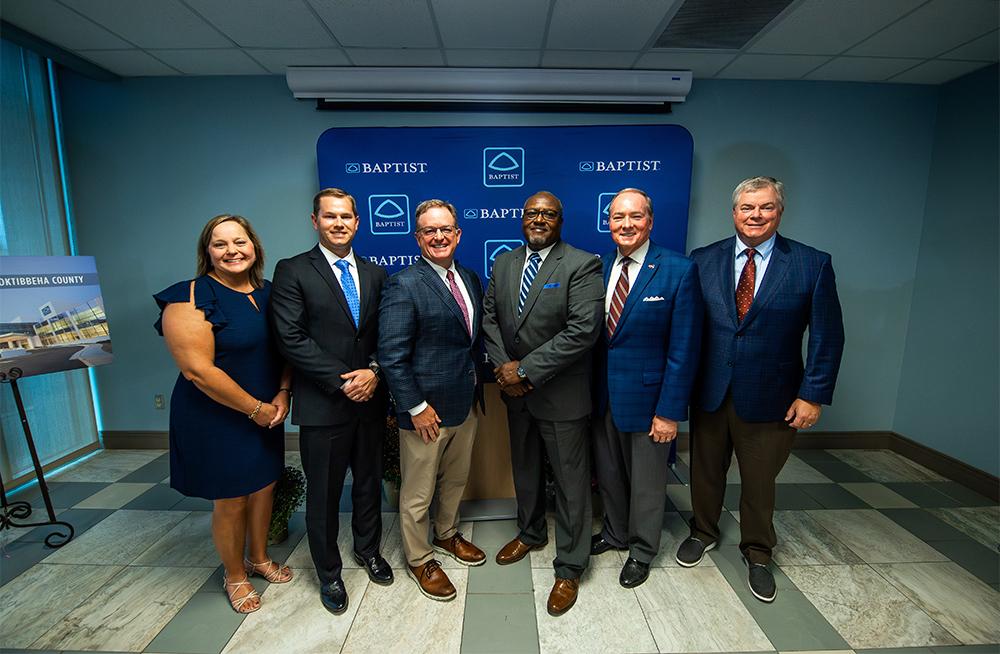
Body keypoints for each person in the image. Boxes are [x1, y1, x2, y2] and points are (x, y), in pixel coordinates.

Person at [677, 176, 845, 602]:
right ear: (733, 212)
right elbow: (689, 329)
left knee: (759, 481)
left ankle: (757, 551)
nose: (756, 216)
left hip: (773, 395)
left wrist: (812, 394)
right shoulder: (702, 259)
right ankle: (703, 530)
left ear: (779, 211)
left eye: (765, 207)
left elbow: (828, 336)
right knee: (705, 471)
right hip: (711, 390)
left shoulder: (811, 263)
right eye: (747, 208)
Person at [154, 214, 293, 614]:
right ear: (207, 252)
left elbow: (286, 348)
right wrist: (255, 409)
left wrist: (282, 393)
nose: (232, 250)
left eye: (240, 241)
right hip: (215, 414)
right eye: (220, 244)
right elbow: (198, 370)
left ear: (254, 246)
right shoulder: (189, 297)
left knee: (265, 485)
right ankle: (235, 575)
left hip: (268, 409)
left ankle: (259, 557)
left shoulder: (270, 292)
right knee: (231, 498)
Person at [270, 188, 391, 615]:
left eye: (346, 217)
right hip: (324, 404)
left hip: (371, 401)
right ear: (315, 221)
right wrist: (345, 382)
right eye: (329, 216)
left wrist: (373, 372)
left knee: (368, 484)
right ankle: (328, 573)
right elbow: (291, 338)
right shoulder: (292, 270)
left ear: (358, 222)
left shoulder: (376, 274)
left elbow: (384, 337)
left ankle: (368, 551)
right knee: (322, 494)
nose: (338, 223)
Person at [482, 190, 604, 616]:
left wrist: (525, 370)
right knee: (526, 470)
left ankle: (570, 566)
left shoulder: (581, 264)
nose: (538, 219)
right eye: (532, 213)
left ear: (560, 220)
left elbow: (582, 330)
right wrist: (503, 369)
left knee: (572, 484)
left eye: (547, 214)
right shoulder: (504, 262)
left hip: (561, 395)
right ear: (522, 218)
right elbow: (490, 319)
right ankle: (531, 532)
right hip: (515, 394)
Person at [590, 188, 703, 589]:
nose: (626, 224)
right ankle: (616, 533)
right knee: (610, 474)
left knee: (648, 482)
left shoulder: (678, 269)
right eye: (618, 217)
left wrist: (669, 410)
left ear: (650, 222)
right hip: (603, 397)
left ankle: (641, 549)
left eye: (635, 217)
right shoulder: (599, 267)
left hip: (650, 400)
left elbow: (684, 348)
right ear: (609, 223)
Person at [378, 199, 487, 601]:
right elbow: (391, 354)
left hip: (466, 403)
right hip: (425, 412)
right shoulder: (404, 284)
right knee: (419, 490)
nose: (439, 236)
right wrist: (416, 407)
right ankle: (420, 557)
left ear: (458, 234)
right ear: (418, 237)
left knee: (456, 480)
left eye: (446, 229)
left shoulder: (471, 278)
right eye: (429, 231)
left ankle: (446, 534)